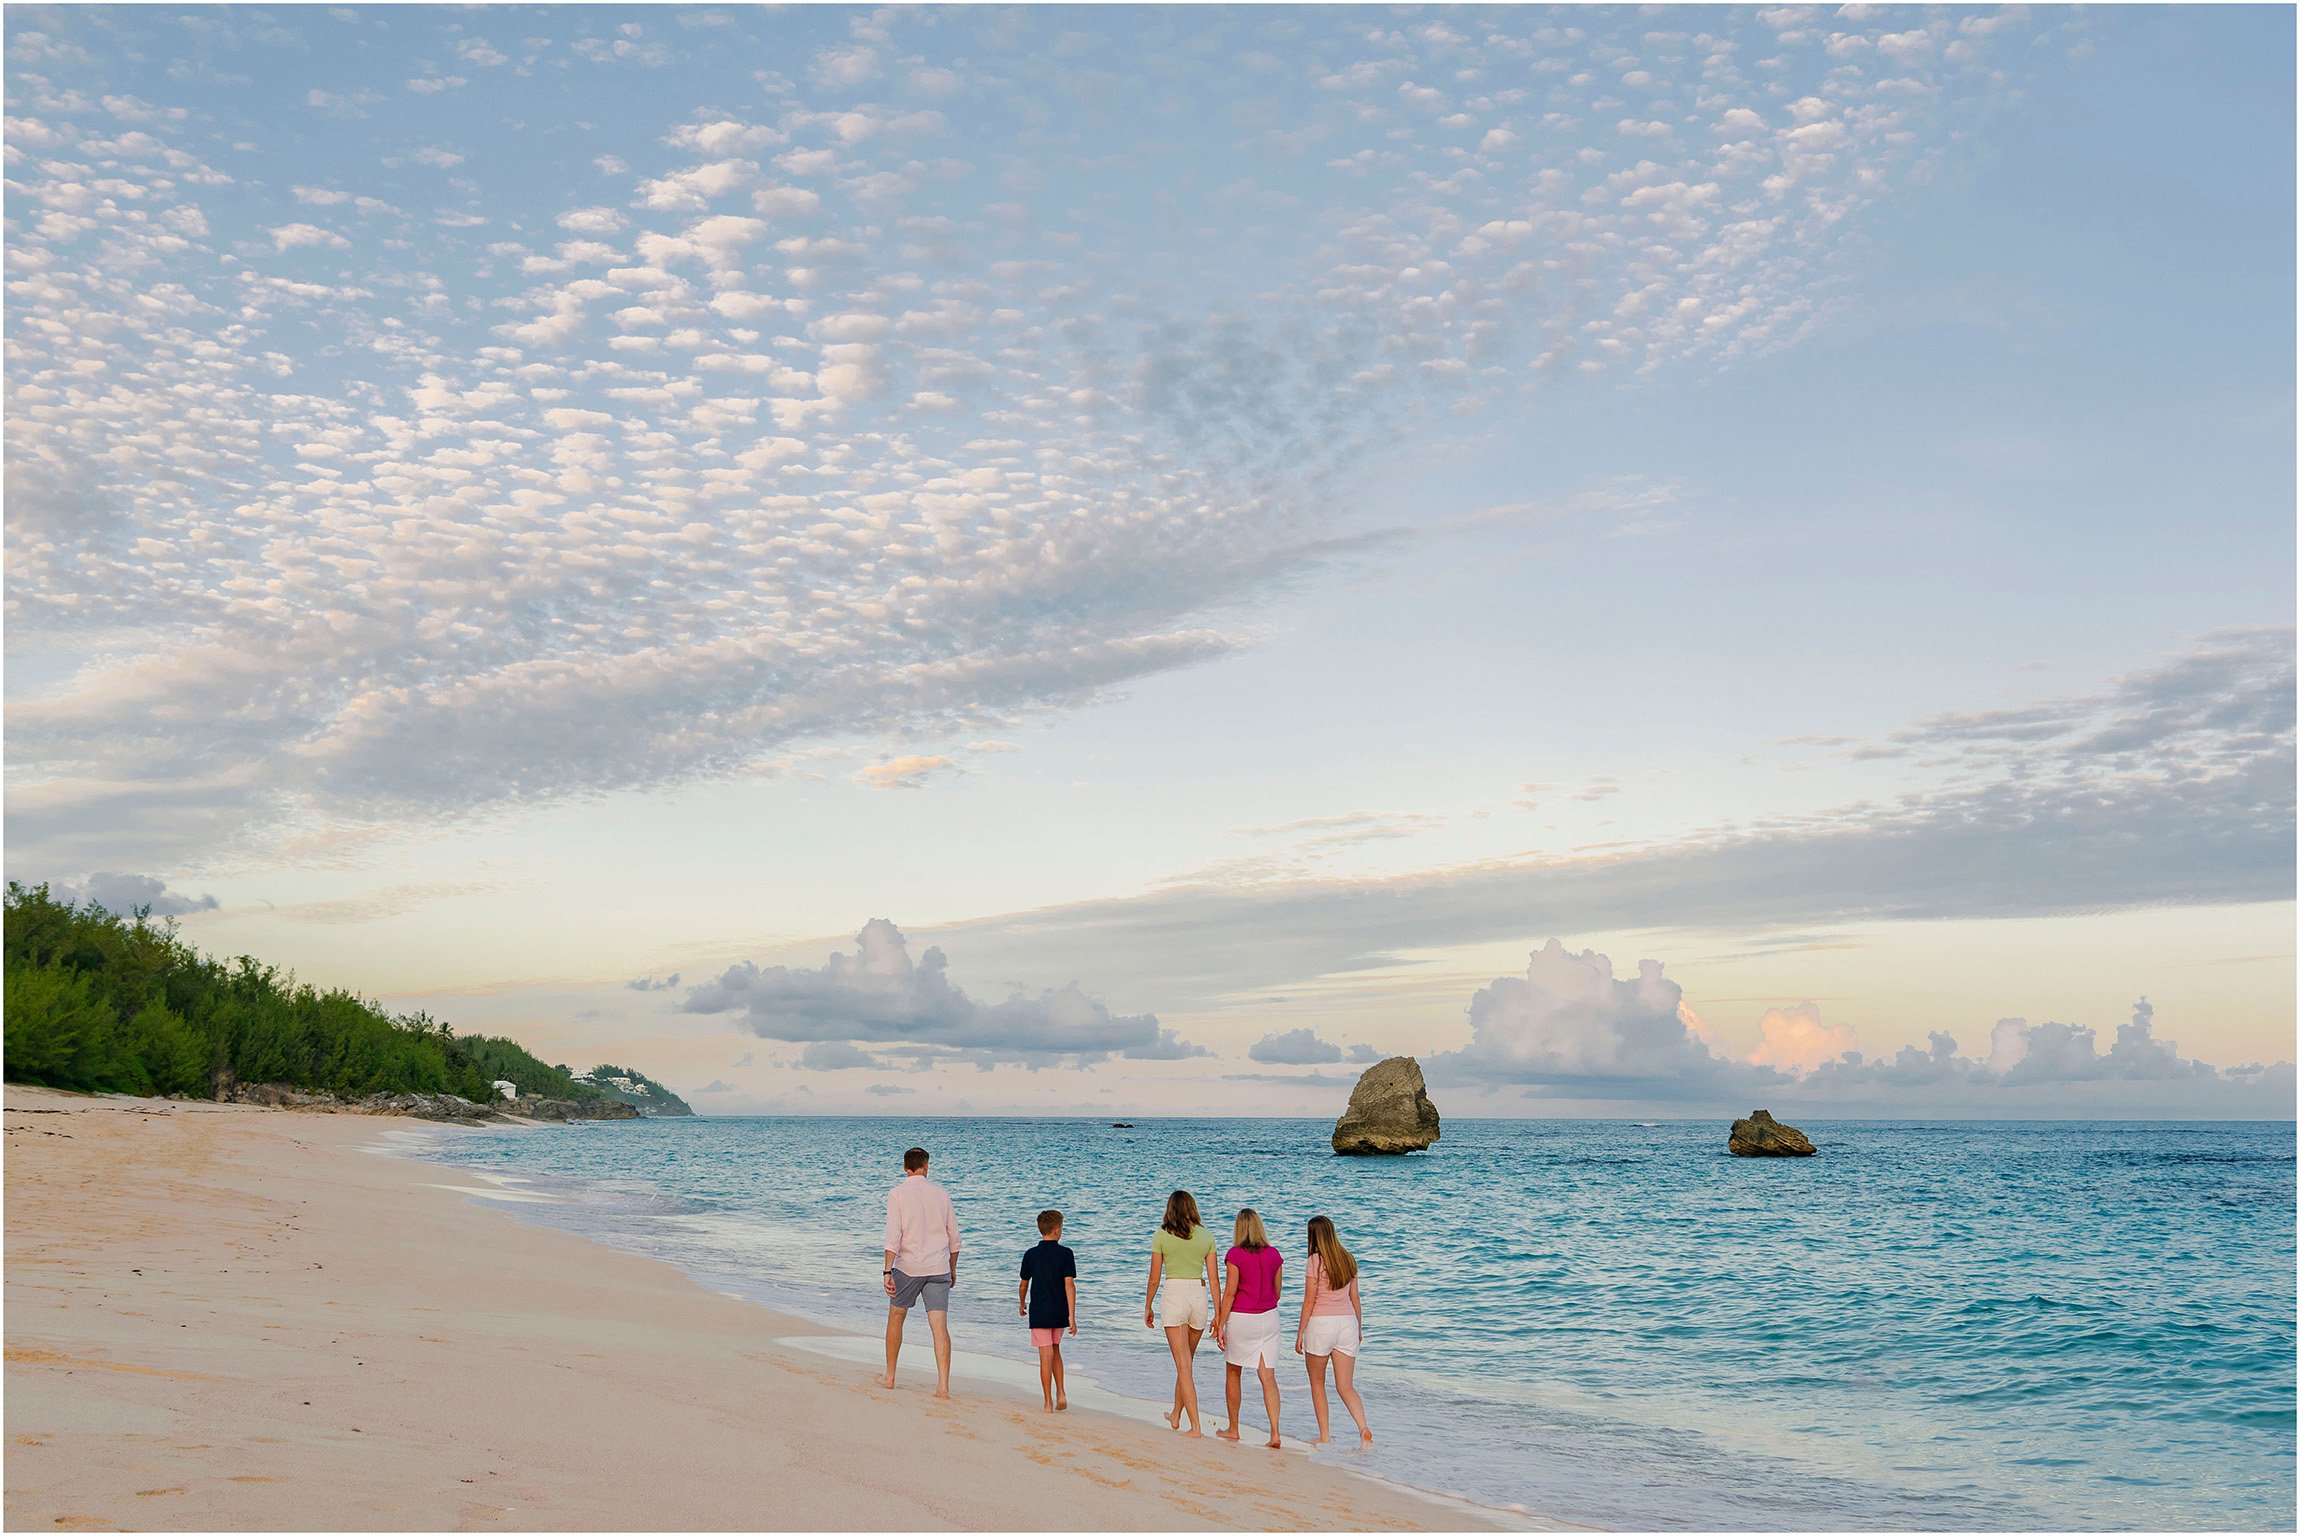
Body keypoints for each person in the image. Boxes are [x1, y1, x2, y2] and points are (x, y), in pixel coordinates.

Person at [879, 1146, 960, 1397]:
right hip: (938, 1266)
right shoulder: (942, 1193)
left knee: (896, 1318)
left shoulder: (897, 1194)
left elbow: (894, 1237)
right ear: (926, 1167)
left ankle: (891, 1376)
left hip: (909, 1266)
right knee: (939, 1327)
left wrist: (886, 1272)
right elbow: (954, 1238)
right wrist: (952, 1269)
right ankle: (943, 1387)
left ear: (905, 1168)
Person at [1142, 1188, 1222, 1436]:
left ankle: (1196, 1427)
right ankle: (1176, 1415)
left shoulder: (1161, 1236)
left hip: (1175, 1295)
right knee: (1185, 1362)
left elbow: (1155, 1278)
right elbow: (1215, 1279)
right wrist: (1219, 1314)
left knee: (1183, 1364)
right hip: (1199, 1296)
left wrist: (1148, 1305)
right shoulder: (1206, 1236)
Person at [1294, 1214, 1370, 1444]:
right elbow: (1355, 1299)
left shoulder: (1315, 1261)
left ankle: (1325, 1436)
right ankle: (1364, 1429)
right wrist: (1358, 1327)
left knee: (1317, 1383)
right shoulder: (1348, 1259)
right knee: (1346, 1386)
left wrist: (1299, 1333)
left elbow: (1309, 1301)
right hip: (1347, 1323)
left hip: (1321, 1324)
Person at [1216, 1207, 1284, 1448]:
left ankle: (1234, 1428)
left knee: (1233, 1372)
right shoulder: (1274, 1255)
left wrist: (1221, 1324)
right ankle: (1275, 1433)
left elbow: (1230, 1292)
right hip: (1270, 1318)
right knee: (1268, 1376)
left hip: (1243, 1318)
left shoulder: (1234, 1255)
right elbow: (1278, 1291)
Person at [1017, 1208, 1078, 1412]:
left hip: (1040, 1312)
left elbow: (1024, 1284)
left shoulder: (1031, 1254)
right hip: (1059, 1311)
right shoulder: (1066, 1254)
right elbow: (1069, 1285)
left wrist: (1021, 1303)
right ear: (1056, 1230)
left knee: (1045, 1356)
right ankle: (1061, 1393)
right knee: (1056, 1351)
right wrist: (1072, 1315)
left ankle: (1047, 1402)